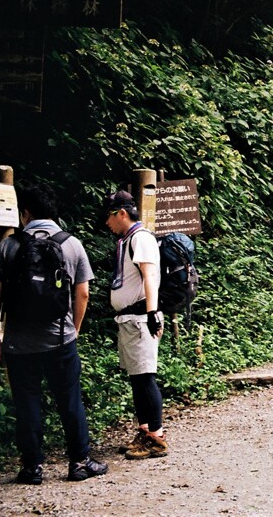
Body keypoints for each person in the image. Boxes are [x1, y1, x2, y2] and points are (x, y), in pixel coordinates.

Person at [0, 181, 108, 484]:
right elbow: (83, 294)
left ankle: (32, 467)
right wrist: (74, 329)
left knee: (27, 402)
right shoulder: (71, 244)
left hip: (18, 342)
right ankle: (79, 462)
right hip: (60, 339)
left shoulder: (10, 246)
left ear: (25, 213)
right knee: (69, 400)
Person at [104, 190, 168, 459]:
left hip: (141, 318)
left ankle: (157, 437)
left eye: (109, 216)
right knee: (137, 379)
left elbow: (149, 275)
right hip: (131, 319)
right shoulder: (129, 239)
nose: (106, 223)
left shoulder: (141, 238)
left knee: (145, 378)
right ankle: (145, 431)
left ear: (121, 213)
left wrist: (152, 312)